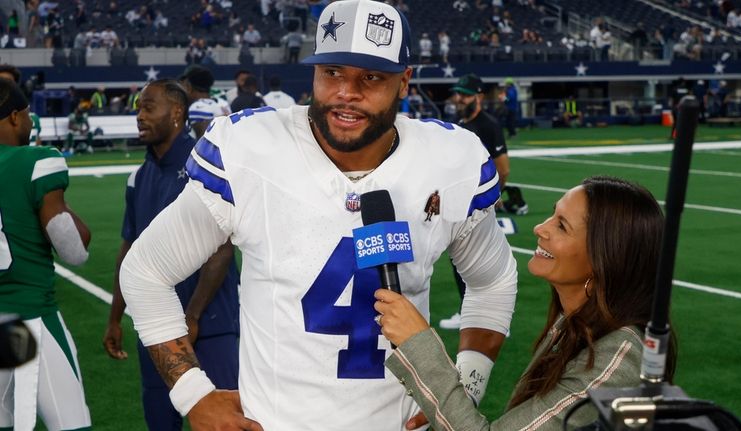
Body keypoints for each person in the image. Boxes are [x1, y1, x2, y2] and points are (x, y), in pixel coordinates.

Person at [118, 1, 517, 429]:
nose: (347, 92)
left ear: (404, 82)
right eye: (333, 73)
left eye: (370, 77)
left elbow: (492, 279)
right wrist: (193, 394)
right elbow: (145, 271)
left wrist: (463, 388)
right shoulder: (252, 149)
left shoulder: (448, 160)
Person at [376, 175, 678, 430]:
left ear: (605, 257)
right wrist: (439, 401)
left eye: (562, 226)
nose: (540, 228)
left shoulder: (618, 358)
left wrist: (419, 345)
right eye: (552, 214)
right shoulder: (576, 322)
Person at [102, 79, 241, 431]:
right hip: (158, 331)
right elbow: (128, 249)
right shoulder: (139, 176)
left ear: (177, 112)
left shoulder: (206, 166)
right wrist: (116, 317)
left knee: (228, 421)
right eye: (138, 108)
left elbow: (222, 251)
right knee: (160, 422)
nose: (139, 116)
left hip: (210, 324)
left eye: (148, 107)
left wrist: (192, 316)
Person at [0, 78, 92, 430]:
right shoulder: (38, 160)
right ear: (14, 117)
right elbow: (72, 249)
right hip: (30, 316)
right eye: (25, 115)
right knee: (71, 423)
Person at [439, 73, 525, 331]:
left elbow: (504, 168)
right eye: (458, 94)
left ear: (478, 96)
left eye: (465, 94)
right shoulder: (457, 122)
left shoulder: (489, 125)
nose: (459, 98)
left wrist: (493, 197)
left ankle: (496, 321)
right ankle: (469, 313)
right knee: (459, 262)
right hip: (459, 202)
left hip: (478, 205)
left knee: (484, 263)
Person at [179, 65, 231, 139]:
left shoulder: (197, 107)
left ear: (189, 87)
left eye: (184, 85)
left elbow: (203, 144)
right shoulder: (222, 103)